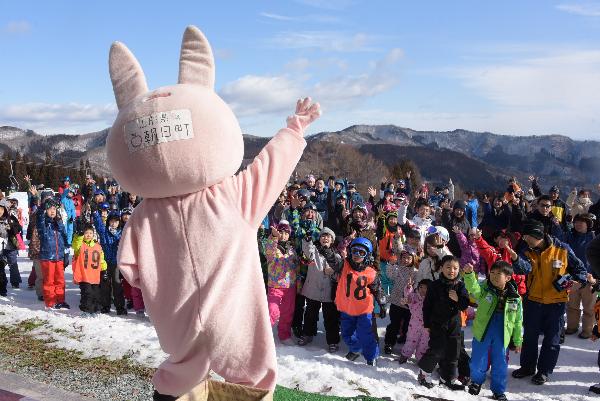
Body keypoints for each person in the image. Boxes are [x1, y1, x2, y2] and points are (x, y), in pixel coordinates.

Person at [511, 219, 588, 385]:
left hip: (556, 304)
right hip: (532, 302)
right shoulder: (525, 250)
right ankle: (527, 367)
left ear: (538, 235)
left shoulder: (562, 249)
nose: (526, 240)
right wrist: (516, 259)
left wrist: (571, 282)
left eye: (528, 237)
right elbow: (522, 269)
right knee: (529, 338)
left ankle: (544, 371)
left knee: (551, 341)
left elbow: (581, 270)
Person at [464, 261, 523, 401]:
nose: (494, 276)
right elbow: (475, 291)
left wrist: (517, 340)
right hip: (483, 331)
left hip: (502, 333)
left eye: (499, 274)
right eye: (492, 273)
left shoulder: (515, 298)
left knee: (500, 362)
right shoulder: (485, 288)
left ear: (508, 277)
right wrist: (469, 275)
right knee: (478, 360)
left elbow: (517, 321)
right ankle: (476, 382)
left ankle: (498, 390)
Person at [417, 255, 470, 390]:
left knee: (454, 351)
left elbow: (464, 305)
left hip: (454, 325)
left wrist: (458, 299)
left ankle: (448, 378)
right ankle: (424, 374)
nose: (451, 270)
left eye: (455, 268)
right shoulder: (434, 285)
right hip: (437, 324)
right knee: (437, 349)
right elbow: (427, 306)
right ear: (441, 268)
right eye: (448, 267)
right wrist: (427, 324)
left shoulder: (460, 285)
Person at [336, 237, 386, 366]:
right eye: (354, 251)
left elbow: (378, 290)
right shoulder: (344, 265)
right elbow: (332, 259)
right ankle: (356, 348)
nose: (357, 255)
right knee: (346, 334)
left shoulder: (371, 272)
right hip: (347, 308)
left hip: (364, 310)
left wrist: (382, 305)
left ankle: (371, 356)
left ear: (367, 255)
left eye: (361, 252)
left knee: (366, 335)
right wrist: (324, 249)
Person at [297, 227, 341, 351]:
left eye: (328, 236)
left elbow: (339, 271)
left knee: (330, 317)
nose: (325, 238)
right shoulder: (314, 251)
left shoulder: (336, 255)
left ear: (332, 240)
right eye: (323, 236)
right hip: (313, 289)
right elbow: (307, 250)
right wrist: (307, 240)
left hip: (328, 291)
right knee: (310, 314)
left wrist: (333, 271)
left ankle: (333, 341)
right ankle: (307, 334)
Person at [564, 213, 597, 339]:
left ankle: (587, 330)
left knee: (589, 307)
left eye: (581, 222)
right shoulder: (569, 236)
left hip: (589, 277)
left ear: (588, 224)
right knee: (572, 304)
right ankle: (572, 326)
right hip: (573, 276)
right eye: (576, 222)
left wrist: (595, 277)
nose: (578, 224)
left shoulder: (593, 237)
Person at [265, 221, 298, 345]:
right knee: (272, 310)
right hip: (275, 285)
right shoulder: (273, 246)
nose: (284, 235)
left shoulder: (292, 248)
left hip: (290, 285)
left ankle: (284, 335)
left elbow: (296, 264)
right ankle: (264, 335)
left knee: (287, 312)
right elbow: (269, 252)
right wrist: (273, 237)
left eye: (286, 233)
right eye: (281, 232)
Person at [36, 198, 69, 309]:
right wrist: (41, 207)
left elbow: (65, 238)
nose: (52, 211)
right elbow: (39, 217)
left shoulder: (58, 224)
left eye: (54, 209)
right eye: (49, 209)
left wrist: (66, 254)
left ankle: (60, 300)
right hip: (47, 257)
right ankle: (50, 302)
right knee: (49, 280)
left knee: (60, 280)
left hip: (59, 257)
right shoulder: (43, 225)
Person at [384, 249, 419, 354]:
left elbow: (417, 285)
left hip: (409, 304)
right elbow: (390, 274)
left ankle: (405, 339)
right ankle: (389, 343)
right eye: (404, 258)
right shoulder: (398, 268)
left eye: (409, 258)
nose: (406, 260)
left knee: (408, 325)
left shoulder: (416, 272)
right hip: (396, 301)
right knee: (394, 324)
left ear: (413, 259)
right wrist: (390, 264)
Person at [93, 209, 126, 315]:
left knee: (117, 284)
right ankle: (105, 305)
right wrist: (95, 213)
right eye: (112, 221)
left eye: (116, 221)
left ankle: (119, 306)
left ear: (119, 222)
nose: (114, 223)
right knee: (105, 285)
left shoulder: (122, 233)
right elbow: (98, 224)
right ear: (108, 222)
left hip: (116, 263)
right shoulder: (104, 232)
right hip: (105, 263)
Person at [72, 223, 107, 316]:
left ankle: (95, 309)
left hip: (94, 275)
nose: (88, 235)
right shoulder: (80, 246)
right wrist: (79, 235)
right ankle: (86, 310)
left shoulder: (97, 246)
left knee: (96, 293)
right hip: (84, 275)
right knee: (87, 293)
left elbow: (101, 259)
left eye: (90, 233)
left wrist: (104, 270)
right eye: (86, 233)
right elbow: (76, 245)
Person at [398, 278, 431, 365]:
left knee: (424, 343)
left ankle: (421, 358)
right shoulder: (414, 297)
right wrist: (408, 287)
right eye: (421, 287)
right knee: (411, 340)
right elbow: (408, 298)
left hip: (427, 327)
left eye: (426, 288)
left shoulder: (432, 300)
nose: (423, 290)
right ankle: (405, 355)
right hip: (414, 325)